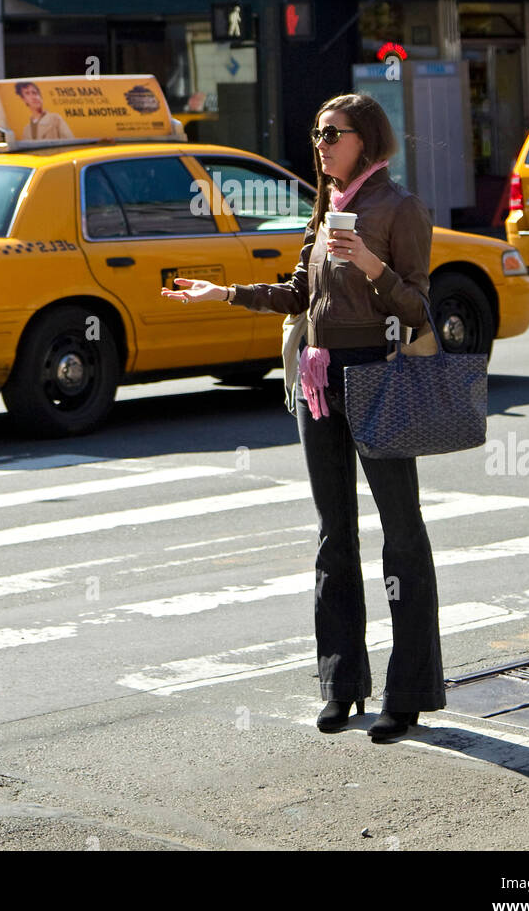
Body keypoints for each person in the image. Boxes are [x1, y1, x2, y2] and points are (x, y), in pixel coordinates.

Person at [161, 93, 447, 742]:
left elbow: (419, 307)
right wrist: (226, 293)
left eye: (332, 134)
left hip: (378, 376)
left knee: (401, 532)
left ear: (365, 141)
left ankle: (408, 693)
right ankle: (341, 684)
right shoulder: (328, 208)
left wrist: (373, 266)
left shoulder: (398, 208)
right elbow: (300, 293)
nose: (319, 144)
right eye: (316, 133)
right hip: (320, 381)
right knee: (332, 535)